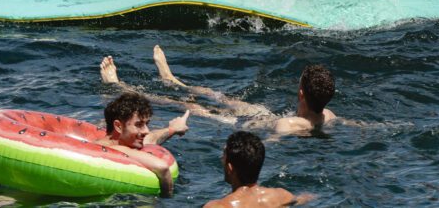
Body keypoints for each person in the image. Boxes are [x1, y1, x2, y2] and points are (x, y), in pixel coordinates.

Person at [101, 47, 339, 136]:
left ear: (300, 93)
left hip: (236, 123)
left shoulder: (288, 126)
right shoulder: (328, 115)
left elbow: (269, 144)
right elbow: (358, 125)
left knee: (191, 107)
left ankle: (119, 86)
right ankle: (172, 79)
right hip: (263, 114)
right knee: (220, 96)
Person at [95, 91, 190, 197]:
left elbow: (152, 138)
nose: (146, 130)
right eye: (139, 124)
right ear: (118, 126)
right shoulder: (116, 149)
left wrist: (174, 128)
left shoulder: (123, 140)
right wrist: (167, 197)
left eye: (146, 124)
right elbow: (162, 167)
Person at [203, 131, 313, 207]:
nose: (222, 160)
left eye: (224, 157)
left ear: (230, 168)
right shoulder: (283, 196)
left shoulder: (218, 206)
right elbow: (308, 197)